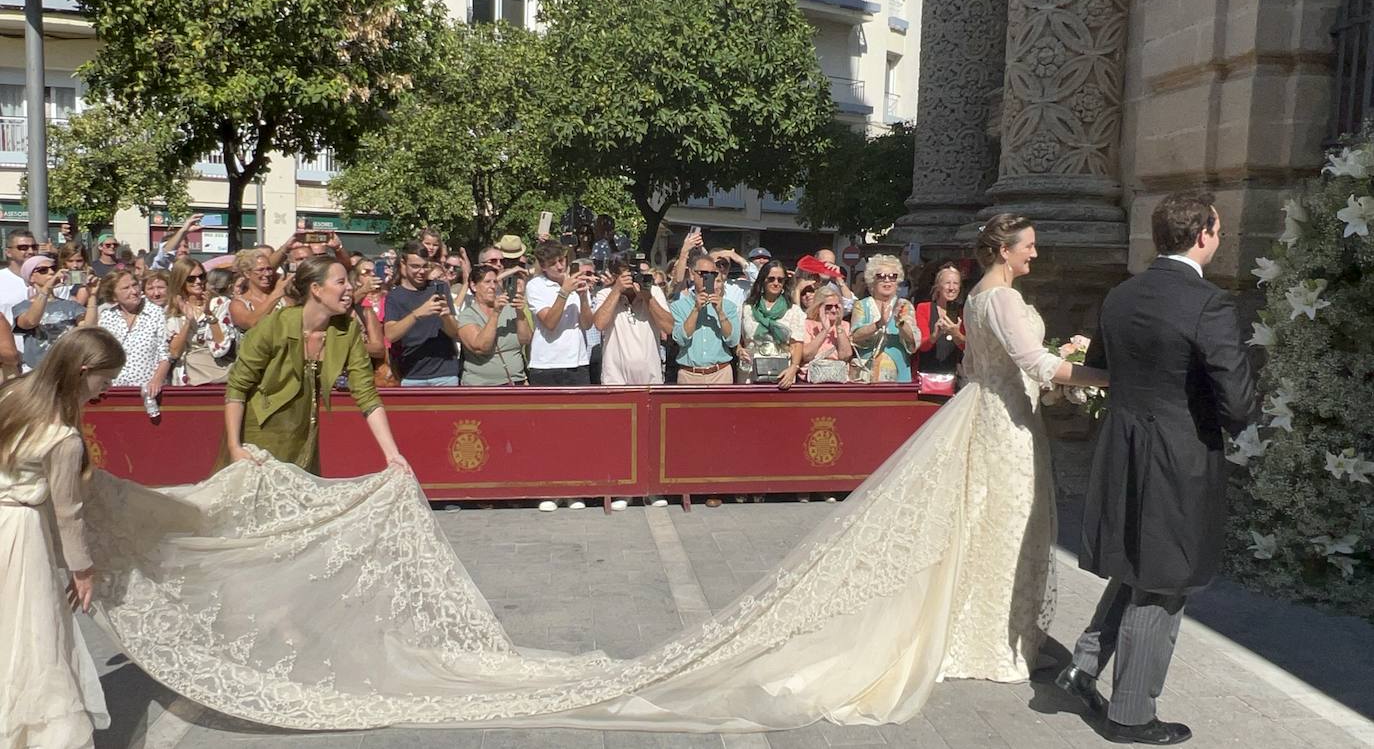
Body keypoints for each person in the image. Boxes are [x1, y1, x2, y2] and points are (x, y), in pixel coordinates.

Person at [77, 212, 1115, 735]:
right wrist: (237, 452)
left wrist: (395, 467)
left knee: (294, 557)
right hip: (259, 449)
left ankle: (282, 642)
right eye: (341, 277)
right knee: (245, 539)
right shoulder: (272, 332)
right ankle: (240, 623)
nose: (350, 287)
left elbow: (367, 397)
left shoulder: (343, 334)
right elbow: (230, 387)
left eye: (350, 280)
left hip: (303, 455)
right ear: (317, 281)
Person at [1057, 194, 1257, 745]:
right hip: (1179, 452)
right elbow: (1237, 403)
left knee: (1137, 561)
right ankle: (1130, 714)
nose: (1218, 238)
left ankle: (1084, 666)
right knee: (1164, 580)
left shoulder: (1121, 294)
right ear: (1202, 235)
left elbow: (1100, 365)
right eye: (1217, 229)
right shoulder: (1208, 303)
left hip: (1123, 445)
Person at [0, 326, 122, 747]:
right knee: (34, 638)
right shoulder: (63, 437)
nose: (103, 392)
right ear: (83, 371)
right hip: (20, 534)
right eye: (103, 382)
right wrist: (82, 570)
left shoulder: (12, 395)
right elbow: (69, 513)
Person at [223, 255, 408, 474]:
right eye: (341, 282)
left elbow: (366, 394)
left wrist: (393, 454)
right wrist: (234, 447)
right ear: (316, 289)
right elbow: (237, 387)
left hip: (304, 441)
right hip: (257, 443)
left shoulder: (347, 330)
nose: (350, 287)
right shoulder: (275, 325)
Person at [383, 242, 462, 387]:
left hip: (445, 373)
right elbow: (390, 334)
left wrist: (445, 317)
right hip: (412, 374)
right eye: (415, 266)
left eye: (425, 266)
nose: (421, 272)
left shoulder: (439, 288)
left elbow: (455, 333)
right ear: (403, 264)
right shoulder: (394, 296)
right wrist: (417, 314)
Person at [593, 256, 673, 386]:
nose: (632, 277)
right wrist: (617, 290)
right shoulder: (605, 294)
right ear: (615, 276)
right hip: (615, 380)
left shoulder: (654, 292)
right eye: (627, 274)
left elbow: (668, 328)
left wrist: (648, 298)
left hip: (650, 380)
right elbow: (599, 324)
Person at [525, 240, 593, 386]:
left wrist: (583, 298)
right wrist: (564, 292)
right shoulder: (535, 285)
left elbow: (587, 324)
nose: (560, 266)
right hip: (545, 364)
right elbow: (550, 323)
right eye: (553, 263)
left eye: (562, 260)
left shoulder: (577, 281)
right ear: (543, 266)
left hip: (577, 362)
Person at [93, 270, 172, 395]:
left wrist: (157, 380)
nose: (134, 291)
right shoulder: (107, 316)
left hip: (147, 389)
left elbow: (166, 354)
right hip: (114, 389)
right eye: (126, 288)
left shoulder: (155, 313)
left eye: (135, 285)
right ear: (114, 296)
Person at [11, 255, 96, 370]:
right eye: (43, 270)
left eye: (53, 268)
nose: (51, 272)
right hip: (37, 370)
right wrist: (47, 288)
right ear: (31, 278)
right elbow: (30, 322)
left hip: (67, 368)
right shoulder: (23, 306)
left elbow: (88, 329)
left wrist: (93, 295)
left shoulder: (71, 305)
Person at [165, 257, 237, 386]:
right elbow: (174, 353)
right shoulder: (173, 310)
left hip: (215, 372)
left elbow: (221, 347)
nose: (198, 281)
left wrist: (209, 314)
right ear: (180, 281)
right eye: (191, 278)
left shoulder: (220, 303)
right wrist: (188, 321)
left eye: (202, 276)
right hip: (185, 377)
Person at [457, 265, 532, 386]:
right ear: (473, 286)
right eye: (487, 282)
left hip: (516, 382)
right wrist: (495, 314)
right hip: (482, 386)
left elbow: (526, 339)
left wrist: (520, 313)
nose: (493, 286)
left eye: (495, 282)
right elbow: (481, 347)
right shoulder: (467, 315)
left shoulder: (509, 309)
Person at [849, 254, 920, 383]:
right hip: (866, 374)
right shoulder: (861, 305)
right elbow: (854, 336)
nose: (887, 280)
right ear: (872, 280)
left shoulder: (904, 305)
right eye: (881, 276)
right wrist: (878, 324)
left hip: (899, 374)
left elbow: (913, 340)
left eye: (893, 276)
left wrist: (901, 323)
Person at [670, 253, 739, 385]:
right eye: (702, 273)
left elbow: (733, 341)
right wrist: (695, 309)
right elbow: (680, 339)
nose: (707, 278)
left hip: (720, 373)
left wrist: (720, 312)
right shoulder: (678, 306)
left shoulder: (728, 306)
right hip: (689, 374)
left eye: (712, 274)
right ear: (692, 274)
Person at [737, 260, 803, 387]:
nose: (776, 283)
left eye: (780, 280)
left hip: (782, 373)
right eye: (771, 279)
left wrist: (793, 369)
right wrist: (739, 350)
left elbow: (797, 345)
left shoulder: (793, 311)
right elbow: (739, 340)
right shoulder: (747, 308)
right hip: (750, 373)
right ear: (763, 281)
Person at [914, 262, 966, 392]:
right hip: (928, 375)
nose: (951, 288)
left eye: (955, 283)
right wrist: (934, 336)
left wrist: (956, 334)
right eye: (947, 283)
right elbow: (920, 345)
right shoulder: (924, 308)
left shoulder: (963, 312)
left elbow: (968, 347)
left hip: (954, 377)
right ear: (938, 286)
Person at [798, 286, 853, 383]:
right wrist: (825, 330)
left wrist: (838, 325)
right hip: (810, 380)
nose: (833, 310)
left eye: (837, 306)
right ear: (818, 307)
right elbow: (806, 355)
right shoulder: (808, 324)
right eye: (828, 307)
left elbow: (845, 356)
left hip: (837, 378)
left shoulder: (844, 326)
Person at [228, 249, 288, 332]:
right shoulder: (239, 304)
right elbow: (251, 323)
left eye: (269, 269)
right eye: (260, 270)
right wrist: (276, 294)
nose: (267, 274)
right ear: (247, 274)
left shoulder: (284, 298)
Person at [0, 231, 37, 316]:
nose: (31, 251)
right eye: (23, 247)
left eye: (34, 247)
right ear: (8, 252)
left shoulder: (48, 279)